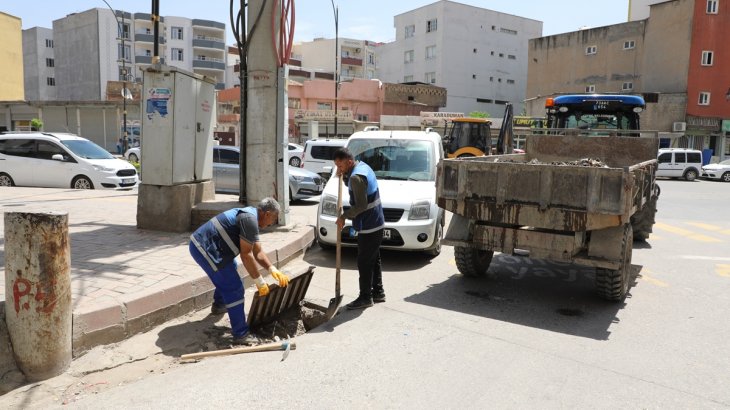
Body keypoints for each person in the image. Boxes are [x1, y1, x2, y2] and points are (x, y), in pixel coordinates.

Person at [188, 197, 290, 345]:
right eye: (273, 219)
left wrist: (272, 269)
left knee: (231, 272)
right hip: (204, 247)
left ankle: (219, 305)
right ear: (267, 214)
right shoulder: (249, 220)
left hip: (214, 248)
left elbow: (258, 252)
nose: (271, 224)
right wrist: (260, 282)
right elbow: (246, 255)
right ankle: (241, 333)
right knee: (234, 287)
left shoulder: (251, 217)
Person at [333, 147, 386, 310]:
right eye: (336, 166)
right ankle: (378, 292)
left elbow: (361, 205)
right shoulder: (362, 166)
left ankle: (365, 297)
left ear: (349, 162)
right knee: (373, 259)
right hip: (376, 221)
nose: (338, 169)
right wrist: (343, 176)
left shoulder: (356, 177)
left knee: (364, 262)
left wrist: (343, 216)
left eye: (340, 166)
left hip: (369, 225)